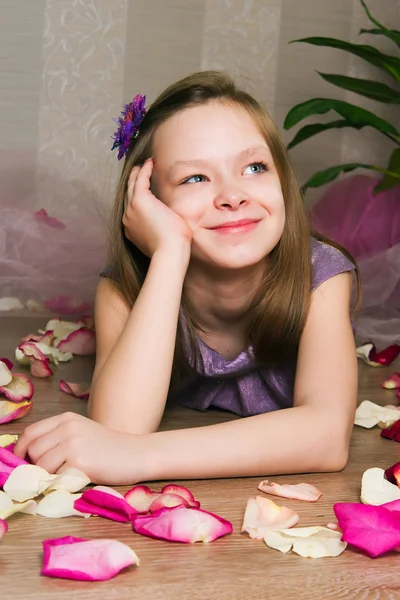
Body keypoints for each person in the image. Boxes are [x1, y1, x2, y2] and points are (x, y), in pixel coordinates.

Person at [14, 71, 359, 485]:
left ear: (282, 180)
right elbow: (118, 427)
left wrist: (141, 457)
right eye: (195, 177)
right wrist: (169, 252)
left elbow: (326, 437)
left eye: (254, 166)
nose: (233, 195)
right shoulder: (125, 288)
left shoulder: (320, 275)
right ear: (148, 202)